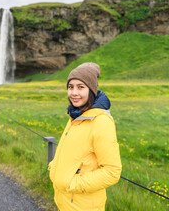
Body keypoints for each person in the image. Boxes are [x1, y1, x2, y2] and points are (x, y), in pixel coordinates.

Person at [48, 62, 122, 211]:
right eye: (70, 87)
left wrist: (72, 183)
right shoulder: (76, 115)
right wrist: (54, 168)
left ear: (92, 90)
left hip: (84, 206)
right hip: (66, 202)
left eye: (80, 87)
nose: (74, 93)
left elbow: (112, 171)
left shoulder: (100, 121)